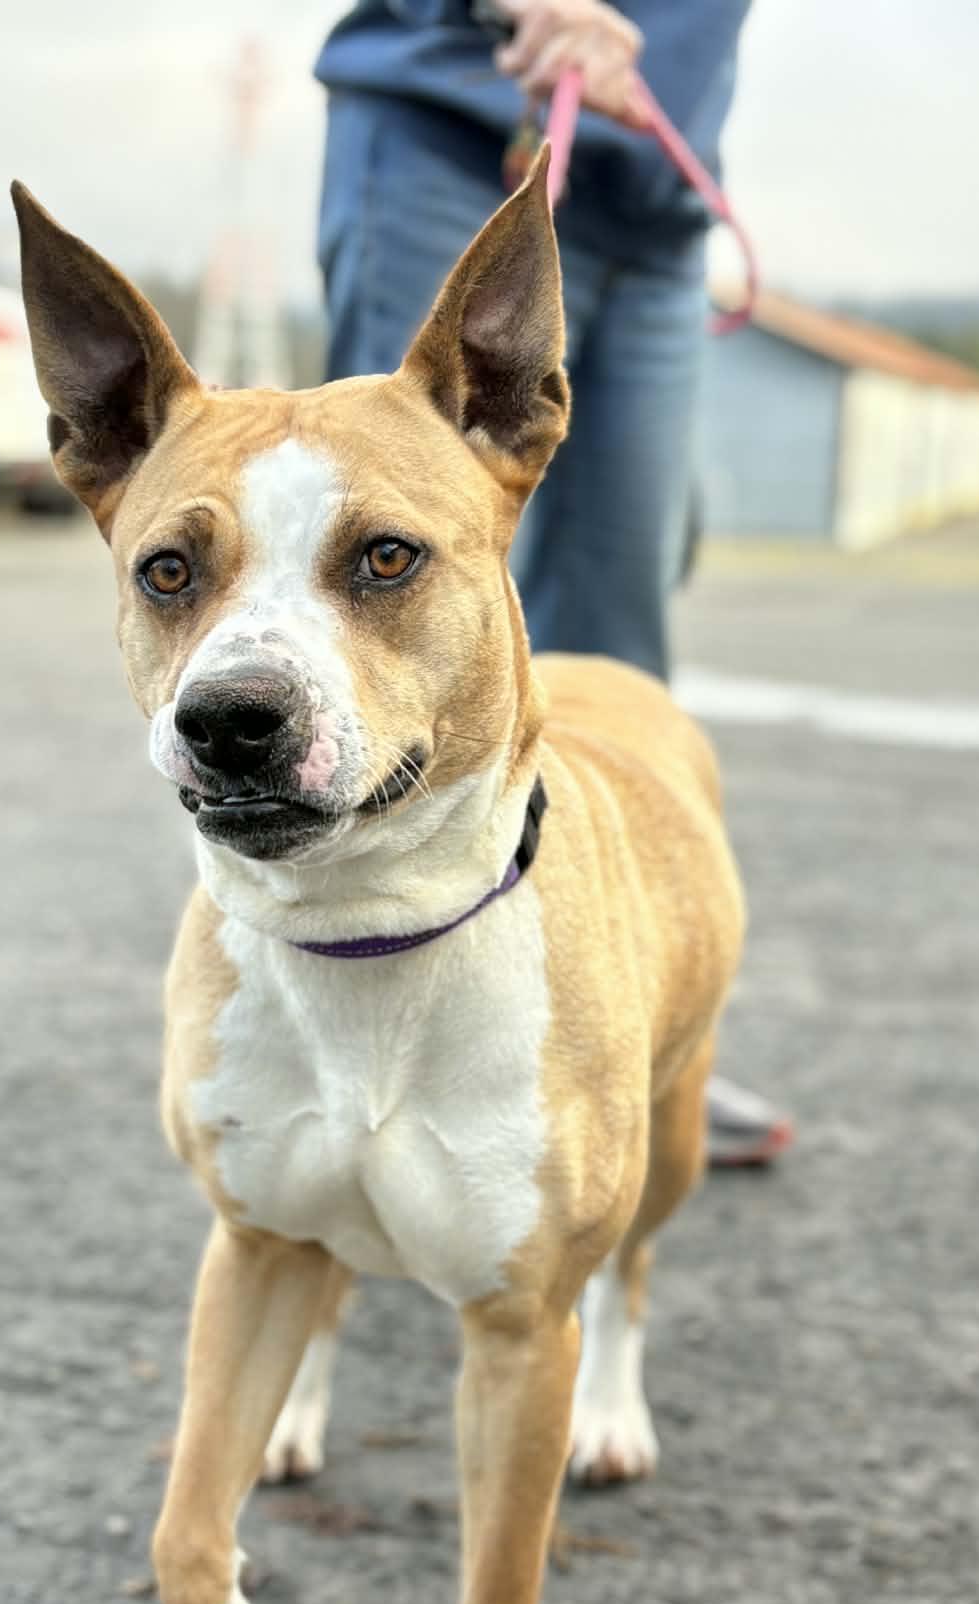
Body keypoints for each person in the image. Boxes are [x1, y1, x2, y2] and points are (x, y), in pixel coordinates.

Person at [313, 0, 792, 1166]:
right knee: (363, 621)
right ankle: (328, 1085)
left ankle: (615, 1040)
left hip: (661, 194)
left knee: (621, 642)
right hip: (459, 132)